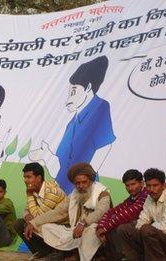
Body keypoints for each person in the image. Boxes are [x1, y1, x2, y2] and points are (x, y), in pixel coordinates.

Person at [29, 56, 116, 194]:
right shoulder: (73, 121)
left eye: (73, 91)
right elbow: (64, 162)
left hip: (82, 189)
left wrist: (87, 182)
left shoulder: (100, 107)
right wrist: (49, 158)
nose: (69, 98)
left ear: (88, 87)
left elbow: (105, 146)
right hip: (64, 187)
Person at [25, 163, 111, 261]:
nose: (81, 186)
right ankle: (62, 253)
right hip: (75, 229)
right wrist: (34, 222)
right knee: (45, 227)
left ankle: (82, 257)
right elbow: (58, 212)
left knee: (90, 230)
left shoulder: (102, 193)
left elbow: (101, 212)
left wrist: (84, 223)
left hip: (94, 229)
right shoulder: (74, 195)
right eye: (77, 183)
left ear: (91, 181)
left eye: (84, 182)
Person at [118, 168, 166, 261]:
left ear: (164, 185)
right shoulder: (149, 198)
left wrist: (149, 227)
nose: (151, 189)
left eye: (155, 185)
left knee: (147, 230)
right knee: (123, 229)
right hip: (157, 237)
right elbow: (141, 222)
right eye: (149, 186)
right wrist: (150, 227)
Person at [14, 162, 66, 259]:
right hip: (46, 223)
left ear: (39, 178)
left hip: (62, 226)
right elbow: (26, 210)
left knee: (37, 224)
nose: (25, 180)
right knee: (19, 223)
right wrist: (27, 216)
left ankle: (58, 252)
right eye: (24, 177)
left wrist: (29, 196)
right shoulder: (34, 190)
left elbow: (39, 217)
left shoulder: (52, 191)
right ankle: (42, 251)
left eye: (29, 177)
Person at [96, 169, 148, 260]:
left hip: (147, 227)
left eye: (133, 184)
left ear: (142, 183)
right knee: (111, 227)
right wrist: (101, 226)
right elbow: (111, 212)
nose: (130, 188)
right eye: (127, 185)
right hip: (134, 229)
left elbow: (128, 214)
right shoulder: (132, 198)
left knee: (119, 228)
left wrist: (105, 228)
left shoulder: (145, 194)